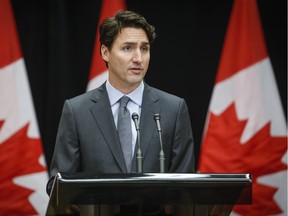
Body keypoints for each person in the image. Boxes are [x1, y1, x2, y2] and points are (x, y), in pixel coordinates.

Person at [46, 10, 195, 216]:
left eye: (144, 49)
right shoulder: (77, 111)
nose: (138, 58)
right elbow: (58, 183)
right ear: (105, 52)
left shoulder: (174, 109)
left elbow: (187, 186)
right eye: (127, 48)